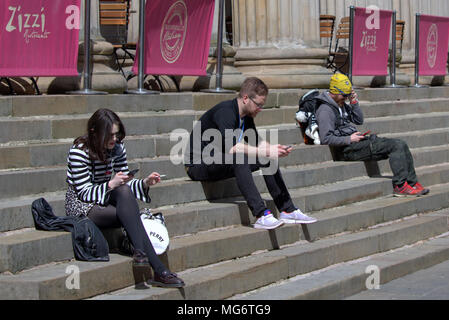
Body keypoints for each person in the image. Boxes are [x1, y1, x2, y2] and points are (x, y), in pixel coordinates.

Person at [65, 108, 184, 288]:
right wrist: (111, 184)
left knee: (125, 193)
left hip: (106, 197)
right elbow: (84, 192)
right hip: (82, 205)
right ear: (94, 132)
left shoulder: (117, 147)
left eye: (116, 134)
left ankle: (140, 253)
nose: (114, 139)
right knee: (132, 216)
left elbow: (124, 184)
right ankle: (160, 270)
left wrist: (145, 183)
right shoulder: (79, 152)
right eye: (109, 135)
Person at [184, 77, 317, 230]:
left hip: (221, 161)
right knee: (239, 156)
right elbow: (232, 147)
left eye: (262, 105)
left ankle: (287, 210)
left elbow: (258, 143)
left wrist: (275, 149)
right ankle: (261, 214)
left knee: (267, 157)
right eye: (258, 105)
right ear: (246, 98)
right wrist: (266, 150)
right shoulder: (225, 112)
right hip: (198, 165)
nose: (260, 109)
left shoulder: (246, 116)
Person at [315, 73, 429, 197]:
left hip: (356, 143)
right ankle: (400, 186)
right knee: (396, 146)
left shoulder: (340, 104)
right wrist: (349, 138)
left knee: (402, 144)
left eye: (348, 96)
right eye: (344, 96)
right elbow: (325, 138)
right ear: (334, 92)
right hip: (347, 150)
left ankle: (412, 183)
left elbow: (359, 120)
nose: (346, 99)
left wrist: (354, 103)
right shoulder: (325, 110)